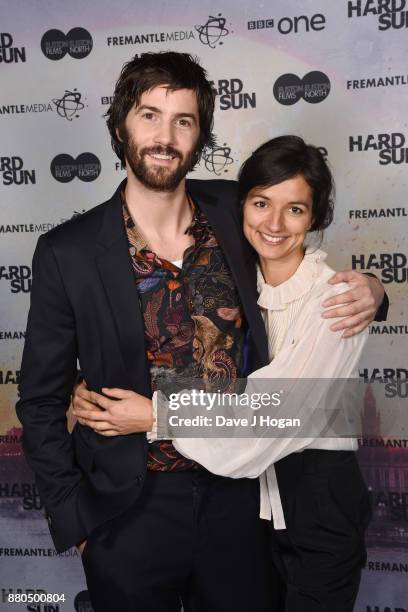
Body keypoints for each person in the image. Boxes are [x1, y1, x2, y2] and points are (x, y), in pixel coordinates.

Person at [17, 51, 386, 612]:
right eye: (149, 116)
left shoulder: (238, 211)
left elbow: (300, 262)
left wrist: (374, 292)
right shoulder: (66, 252)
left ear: (200, 135)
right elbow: (40, 400)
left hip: (240, 502)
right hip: (128, 509)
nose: (164, 137)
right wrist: (77, 522)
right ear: (121, 124)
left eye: (183, 121)